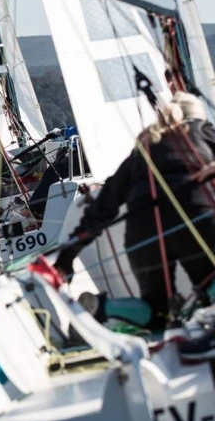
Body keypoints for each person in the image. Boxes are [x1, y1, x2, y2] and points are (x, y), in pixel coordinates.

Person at [54, 93, 215, 332]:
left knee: (157, 313)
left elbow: (103, 208)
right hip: (194, 213)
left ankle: (103, 307)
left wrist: (66, 258)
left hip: (142, 228)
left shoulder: (143, 147)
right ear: (196, 115)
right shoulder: (202, 129)